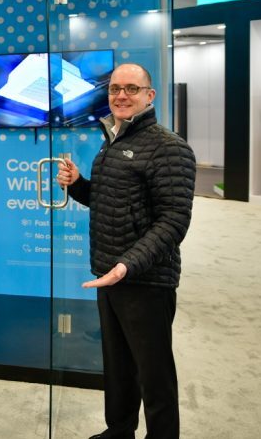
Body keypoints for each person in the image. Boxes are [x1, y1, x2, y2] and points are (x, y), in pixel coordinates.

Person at [56, 63, 196, 439]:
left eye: (131, 89)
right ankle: (119, 430)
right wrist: (78, 184)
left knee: (154, 373)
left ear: (150, 95)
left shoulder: (170, 148)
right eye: (115, 88)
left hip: (146, 279)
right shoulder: (114, 139)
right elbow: (110, 203)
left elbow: (174, 221)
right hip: (110, 274)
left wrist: (128, 264)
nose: (121, 95)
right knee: (118, 365)